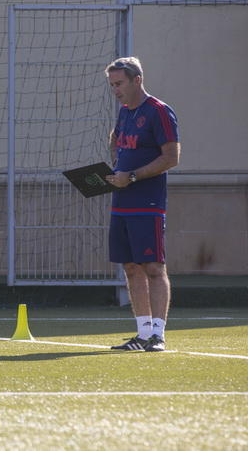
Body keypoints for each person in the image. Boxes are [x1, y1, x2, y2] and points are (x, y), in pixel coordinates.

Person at [104, 57, 180, 352]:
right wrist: (114, 166)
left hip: (147, 203)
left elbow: (171, 157)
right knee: (131, 268)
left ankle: (158, 335)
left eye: (119, 83)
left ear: (137, 80)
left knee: (152, 266)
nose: (115, 90)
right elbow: (115, 140)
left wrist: (132, 176)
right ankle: (142, 333)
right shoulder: (124, 113)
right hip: (121, 202)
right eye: (112, 85)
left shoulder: (159, 112)